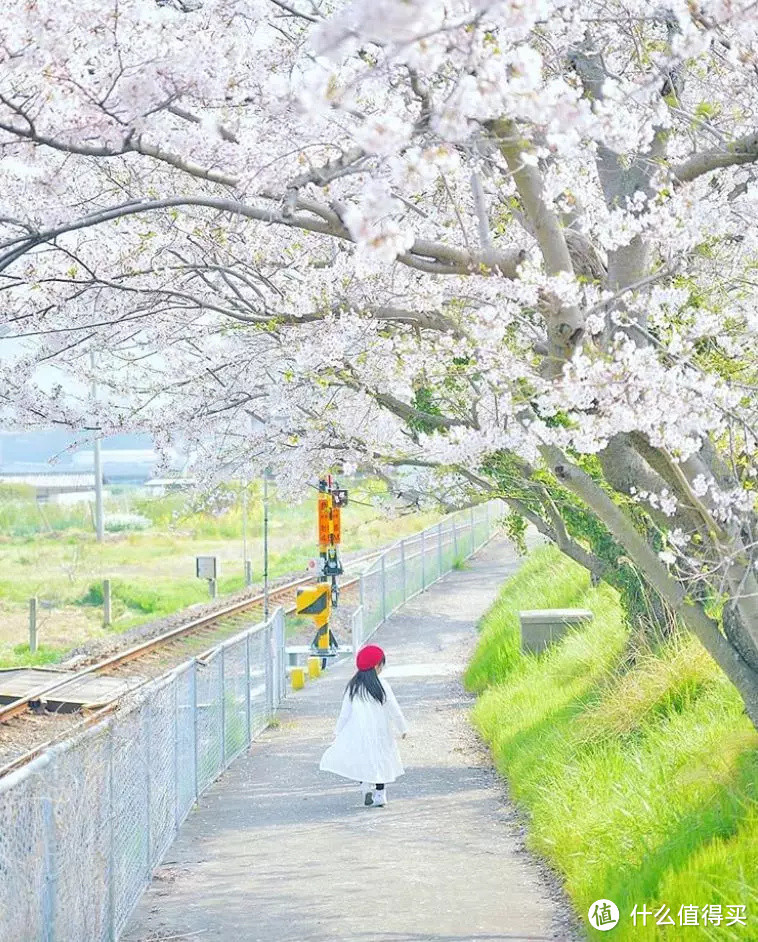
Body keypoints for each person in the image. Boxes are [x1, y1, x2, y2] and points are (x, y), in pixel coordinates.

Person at [320, 644, 408, 807]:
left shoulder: (353, 687)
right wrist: (402, 728)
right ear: (376, 666)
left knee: (362, 758)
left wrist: (338, 731)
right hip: (381, 731)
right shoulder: (382, 685)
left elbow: (345, 713)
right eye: (382, 664)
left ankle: (365, 787)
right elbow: (394, 709)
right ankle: (380, 795)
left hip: (359, 730)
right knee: (381, 760)